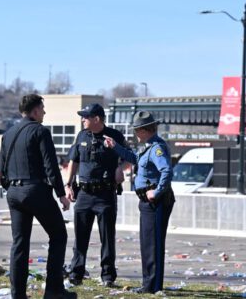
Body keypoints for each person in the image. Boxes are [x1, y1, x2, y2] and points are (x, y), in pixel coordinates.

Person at [0, 94, 76, 299]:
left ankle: (18, 295)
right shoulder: (40, 131)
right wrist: (61, 194)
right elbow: (51, 166)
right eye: (42, 108)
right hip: (35, 190)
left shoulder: (8, 134)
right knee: (59, 235)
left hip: (14, 192)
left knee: (19, 243)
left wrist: (11, 188)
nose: (44, 112)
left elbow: (2, 171)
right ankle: (54, 291)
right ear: (34, 111)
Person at [104, 110, 175, 294]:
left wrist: (157, 192)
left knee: (153, 244)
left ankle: (153, 285)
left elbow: (167, 171)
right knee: (147, 243)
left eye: (137, 130)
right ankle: (148, 283)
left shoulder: (156, 148)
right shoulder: (147, 147)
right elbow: (135, 159)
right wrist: (115, 148)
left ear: (145, 130)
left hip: (156, 202)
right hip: (146, 202)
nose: (135, 134)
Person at [65, 103, 127, 287]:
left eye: (86, 116)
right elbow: (73, 160)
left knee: (107, 238)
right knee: (80, 237)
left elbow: (129, 158)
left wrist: (120, 168)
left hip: (105, 194)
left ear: (97, 119)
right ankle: (77, 272)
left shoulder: (115, 136)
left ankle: (107, 276)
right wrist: (68, 184)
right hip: (84, 193)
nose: (83, 119)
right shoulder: (82, 135)